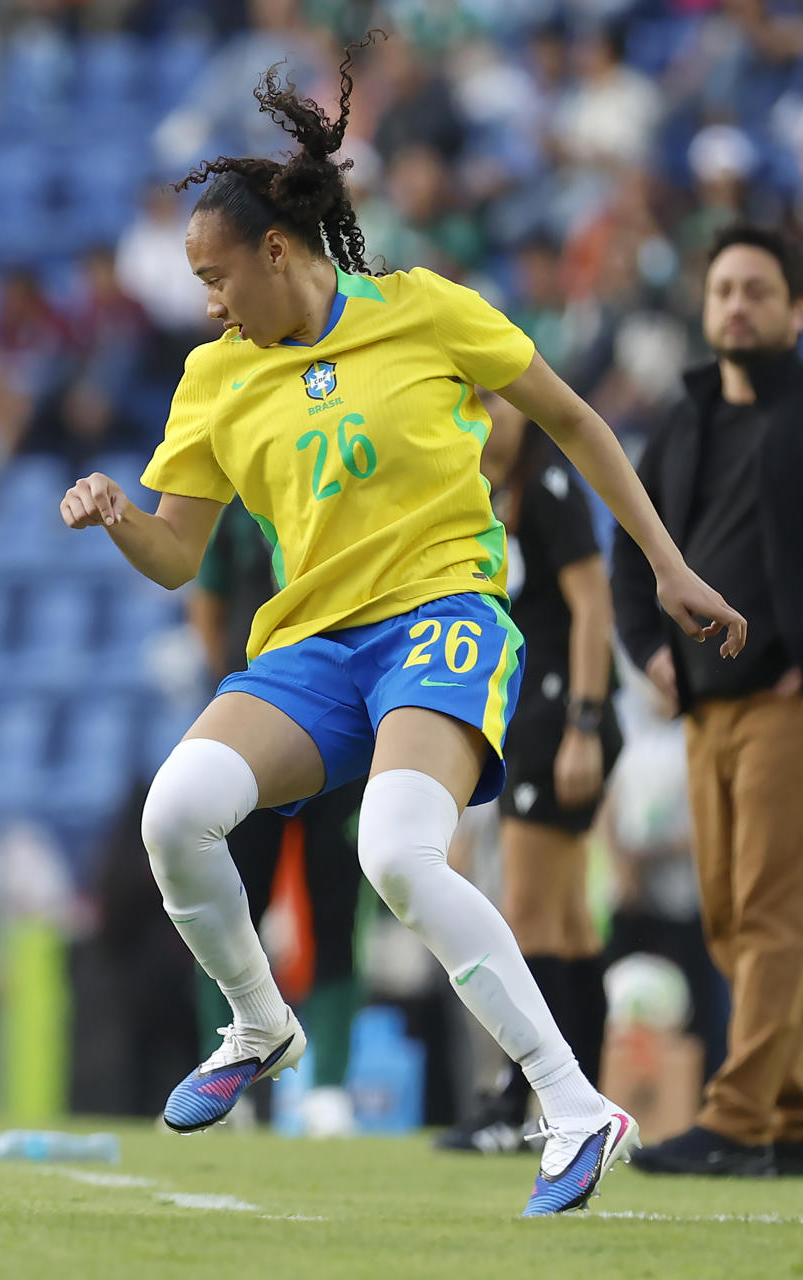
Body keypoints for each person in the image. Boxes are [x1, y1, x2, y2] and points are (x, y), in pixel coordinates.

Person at [58, 39, 745, 1216]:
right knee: (175, 811)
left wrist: (669, 565)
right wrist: (120, 513)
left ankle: (575, 1104)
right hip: (312, 648)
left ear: (279, 250)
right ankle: (258, 1024)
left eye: (216, 274)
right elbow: (178, 558)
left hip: (444, 616)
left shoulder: (424, 312)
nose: (205, 299)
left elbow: (576, 422)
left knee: (393, 852)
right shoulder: (215, 379)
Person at [611, 225, 803, 1178]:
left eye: (758, 290)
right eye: (724, 287)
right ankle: (792, 1117)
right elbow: (629, 551)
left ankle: (736, 1117)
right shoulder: (683, 424)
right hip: (703, 708)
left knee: (767, 915)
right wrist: (649, 651)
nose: (736, 304)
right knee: (728, 916)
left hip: (783, 702)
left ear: (795, 311)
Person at [436, 390, 623, 1155]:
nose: (481, 419)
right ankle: (580, 1099)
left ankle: (525, 1101)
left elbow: (592, 605)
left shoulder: (547, 485)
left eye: (490, 402)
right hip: (539, 715)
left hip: (557, 715)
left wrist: (584, 720)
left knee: (531, 914)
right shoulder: (500, 489)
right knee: (571, 925)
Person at [188, 501, 364, 1138]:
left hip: (341, 726)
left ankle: (329, 1088)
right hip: (256, 730)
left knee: (337, 904)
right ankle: (229, 1075)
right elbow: (208, 602)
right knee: (229, 904)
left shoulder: (347, 474)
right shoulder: (238, 495)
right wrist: (232, 691)